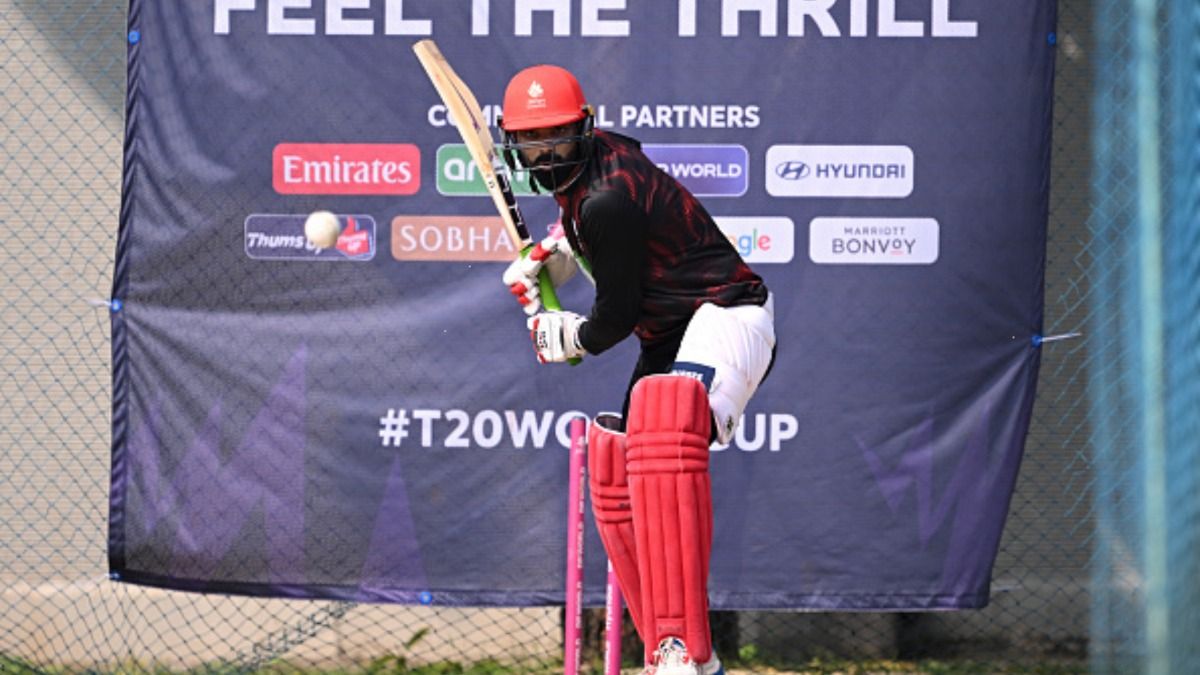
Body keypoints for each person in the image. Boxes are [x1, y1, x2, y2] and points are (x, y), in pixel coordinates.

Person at [499, 64, 776, 675]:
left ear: (584, 128)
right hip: (669, 333)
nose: (545, 153)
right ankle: (675, 654)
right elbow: (608, 235)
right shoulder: (596, 169)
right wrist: (554, 254)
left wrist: (568, 335)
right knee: (618, 463)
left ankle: (682, 650)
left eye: (556, 136)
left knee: (664, 433)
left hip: (726, 314)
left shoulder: (606, 198)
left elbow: (614, 318)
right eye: (531, 140)